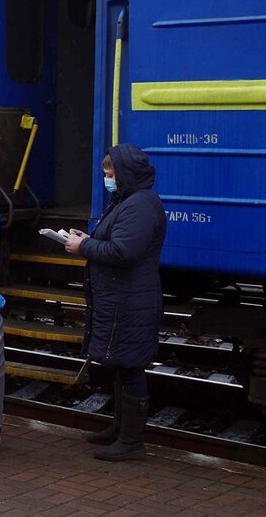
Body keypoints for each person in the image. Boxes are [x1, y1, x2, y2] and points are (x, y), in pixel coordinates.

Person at [65, 144, 165, 462]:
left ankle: (132, 442)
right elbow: (115, 241)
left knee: (131, 366)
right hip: (124, 297)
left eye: (111, 174)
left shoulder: (139, 205)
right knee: (123, 364)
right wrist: (88, 238)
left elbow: (124, 252)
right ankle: (119, 429)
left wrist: (84, 247)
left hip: (131, 299)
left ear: (125, 174)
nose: (107, 179)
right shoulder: (128, 201)